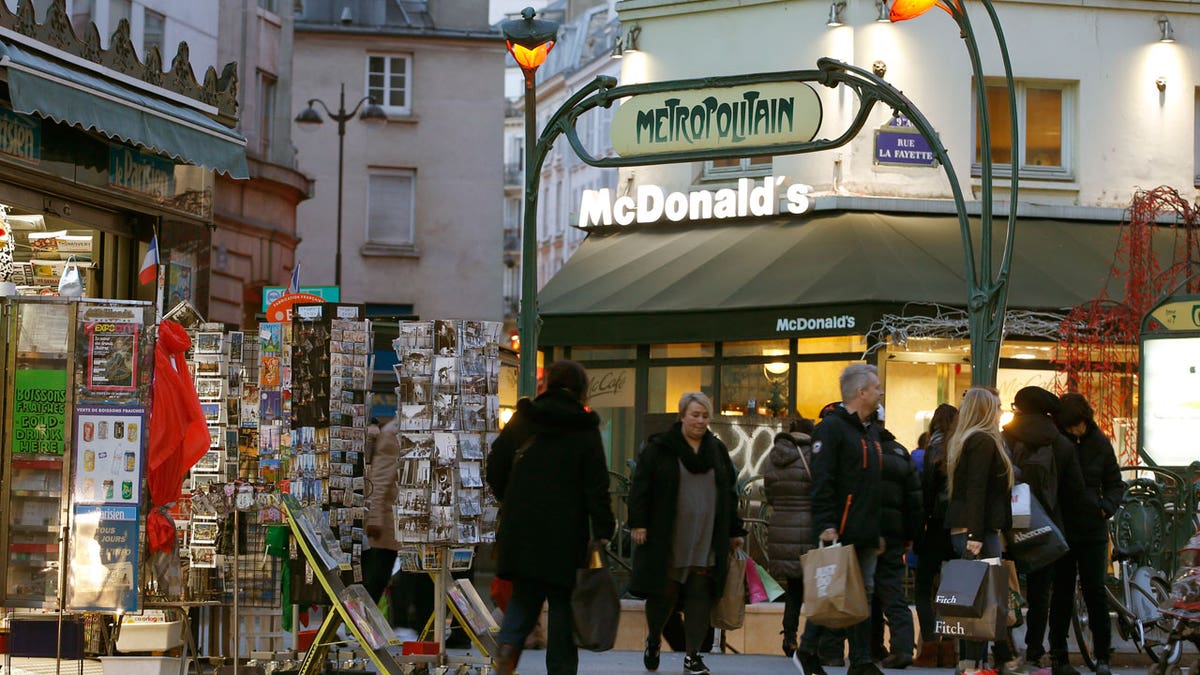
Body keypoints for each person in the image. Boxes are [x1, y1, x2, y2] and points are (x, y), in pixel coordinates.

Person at [486, 360, 616, 675]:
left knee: (524, 597)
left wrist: (513, 498)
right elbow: (596, 487)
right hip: (565, 532)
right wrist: (602, 528)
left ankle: (506, 653)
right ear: (582, 391)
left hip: (522, 528)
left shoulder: (523, 420)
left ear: (548, 385)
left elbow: (494, 467)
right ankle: (560, 669)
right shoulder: (585, 430)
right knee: (561, 605)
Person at [629, 392, 746, 675]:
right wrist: (638, 523)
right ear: (682, 416)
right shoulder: (660, 448)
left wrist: (734, 530)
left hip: (707, 537)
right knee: (663, 596)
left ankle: (693, 656)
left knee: (699, 596)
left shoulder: (716, 450)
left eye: (705, 416)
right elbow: (640, 486)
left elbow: (729, 493)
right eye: (695, 415)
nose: (700, 421)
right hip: (668, 537)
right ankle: (654, 639)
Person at [797, 363, 885, 675]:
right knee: (834, 593)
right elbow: (822, 481)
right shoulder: (832, 428)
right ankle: (808, 651)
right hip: (840, 527)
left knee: (860, 594)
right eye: (876, 388)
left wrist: (877, 531)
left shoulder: (870, 431)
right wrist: (826, 524)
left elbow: (873, 485)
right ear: (861, 392)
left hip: (865, 529)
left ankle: (859, 660)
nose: (880, 392)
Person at [1001, 386, 1085, 674]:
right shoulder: (1061, 443)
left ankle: (1004, 650)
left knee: (1003, 585)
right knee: (1040, 593)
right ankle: (1035, 650)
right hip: (1047, 527)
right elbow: (1074, 490)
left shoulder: (1006, 438)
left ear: (1021, 408)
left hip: (1008, 524)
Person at [1048, 394, 1124, 675]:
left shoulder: (1100, 443)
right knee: (1062, 594)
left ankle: (1103, 656)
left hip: (1092, 527)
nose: (1075, 430)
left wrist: (1105, 508)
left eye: (1078, 425)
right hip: (1063, 527)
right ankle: (1059, 656)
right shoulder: (1056, 442)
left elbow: (1115, 483)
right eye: (1070, 427)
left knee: (1095, 592)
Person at [945, 387, 1014, 674]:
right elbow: (978, 489)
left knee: (973, 597)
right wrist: (975, 535)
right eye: (996, 406)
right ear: (986, 410)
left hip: (968, 527)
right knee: (985, 600)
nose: (1000, 411)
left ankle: (974, 661)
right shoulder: (984, 441)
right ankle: (976, 663)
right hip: (978, 530)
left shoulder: (965, 440)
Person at [869, 405, 923, 669]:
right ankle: (901, 647)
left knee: (864, 594)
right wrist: (910, 535)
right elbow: (914, 500)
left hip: (865, 533)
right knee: (893, 593)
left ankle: (872, 647)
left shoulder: (861, 448)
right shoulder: (901, 452)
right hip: (894, 535)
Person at [764, 416, 818, 658]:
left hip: (781, 525)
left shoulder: (774, 456)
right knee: (817, 588)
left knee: (794, 588)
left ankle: (789, 637)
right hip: (808, 526)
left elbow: (769, 494)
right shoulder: (813, 455)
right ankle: (812, 641)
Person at [913, 403, 959, 668]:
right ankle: (951, 647)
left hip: (935, 525)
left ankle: (930, 648)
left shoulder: (934, 446)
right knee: (954, 591)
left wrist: (921, 525)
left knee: (923, 589)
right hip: (958, 526)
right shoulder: (962, 444)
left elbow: (927, 490)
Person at [363, 418, 401, 604]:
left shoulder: (395, 430)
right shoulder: (392, 433)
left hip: (393, 523)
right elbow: (379, 478)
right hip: (387, 523)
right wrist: (375, 517)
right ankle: (361, 624)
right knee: (377, 577)